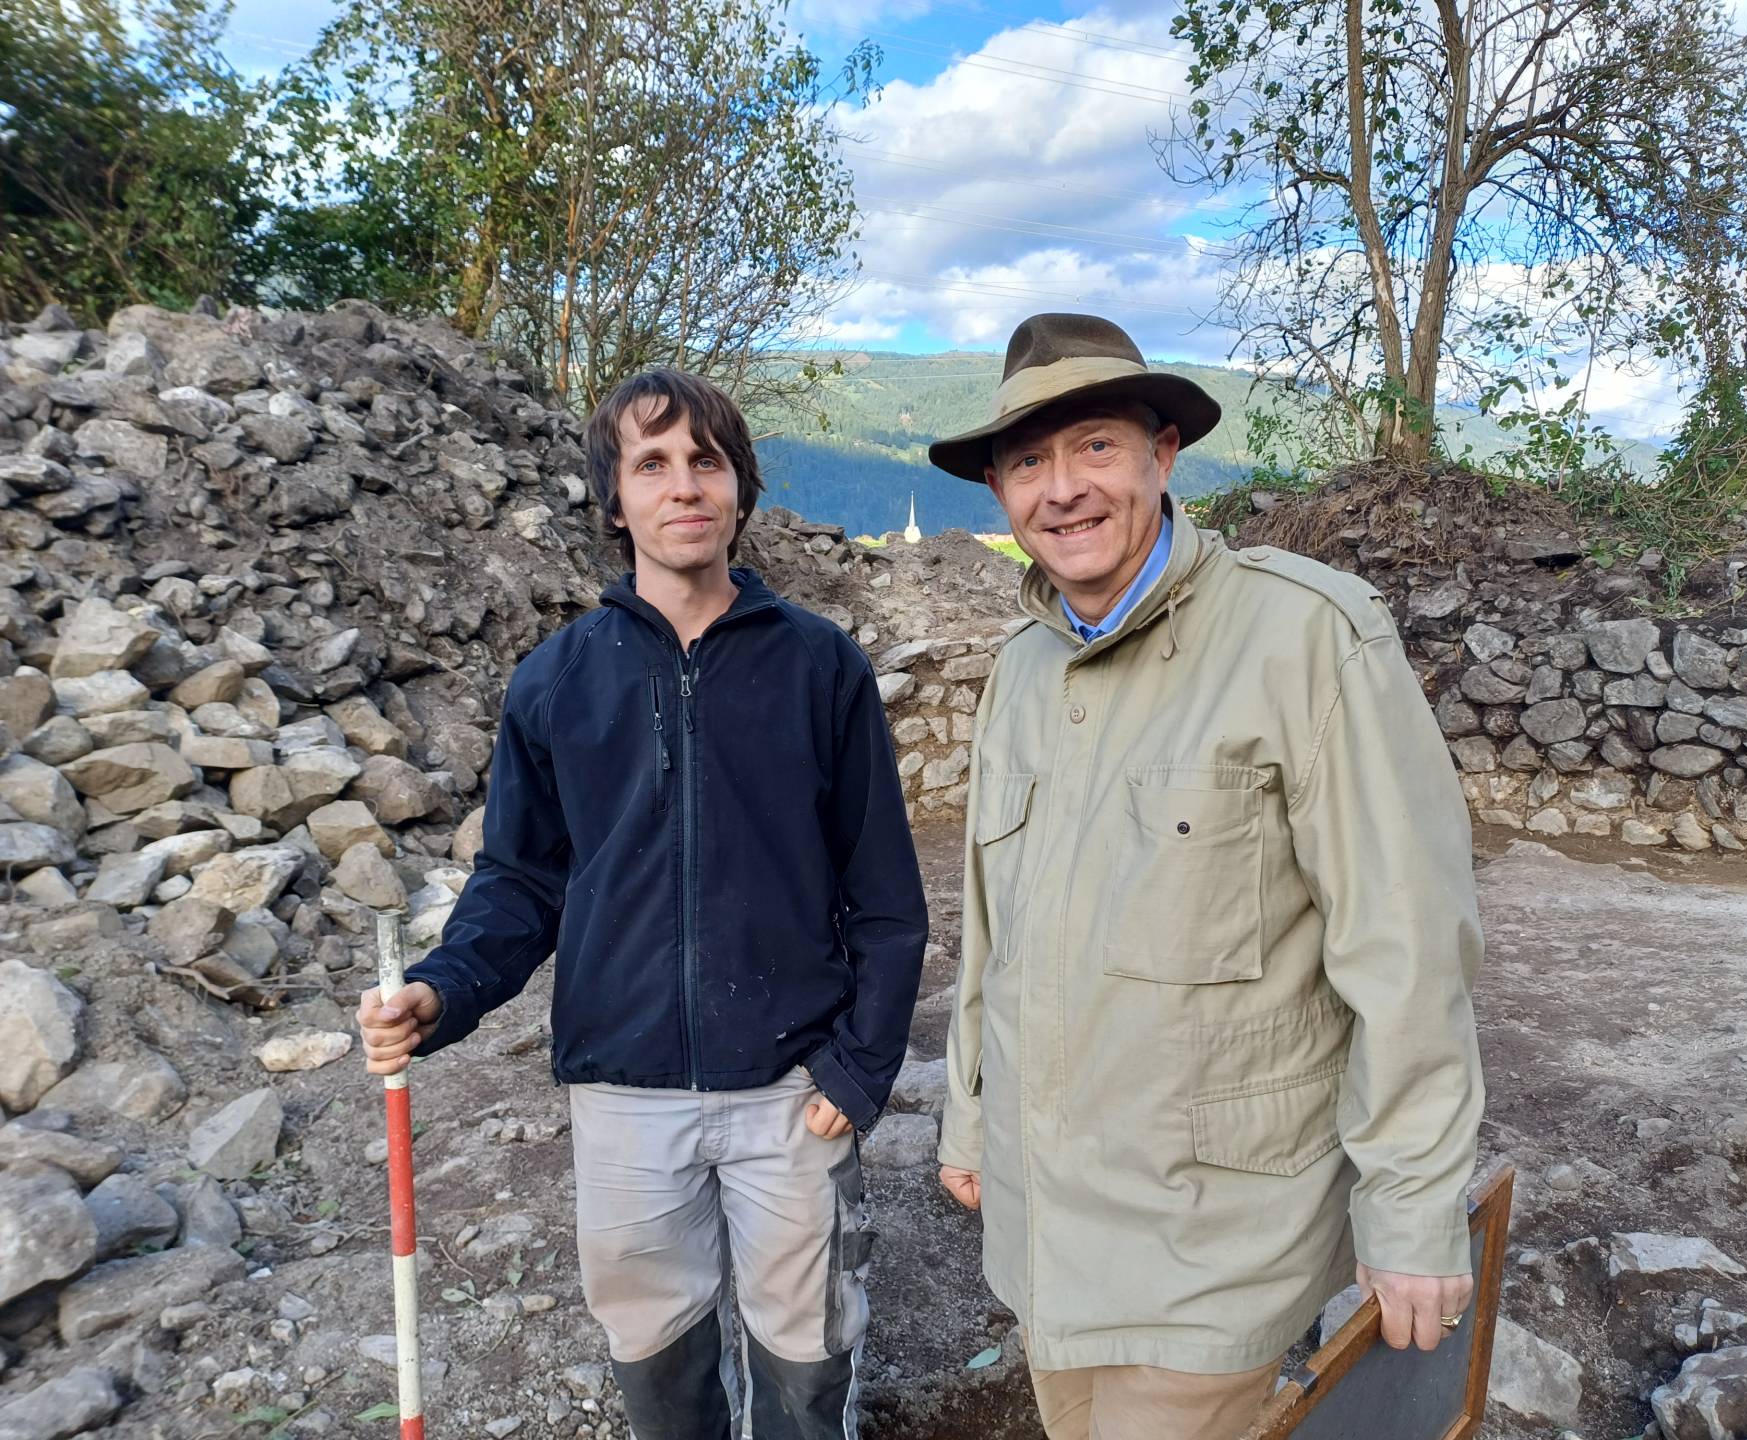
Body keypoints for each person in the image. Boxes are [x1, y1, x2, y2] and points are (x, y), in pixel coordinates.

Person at [929, 314, 1485, 1440]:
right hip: (1047, 1232)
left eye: (1094, 446)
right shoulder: (1023, 672)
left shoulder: (1306, 637)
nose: (1063, 489)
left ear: (1162, 453)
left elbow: (1407, 941)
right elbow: (992, 930)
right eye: (1028, 461)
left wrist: (1415, 1211)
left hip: (1210, 1241)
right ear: (997, 490)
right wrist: (966, 1118)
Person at [355, 369, 929, 1440]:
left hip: (790, 1091)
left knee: (806, 1355)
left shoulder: (822, 669)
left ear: (740, 489)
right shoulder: (557, 681)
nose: (684, 486)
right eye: (651, 464)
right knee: (656, 1357)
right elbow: (522, 880)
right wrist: (445, 991)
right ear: (614, 501)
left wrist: (858, 1068)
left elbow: (888, 899)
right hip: (622, 1096)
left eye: (706, 461)